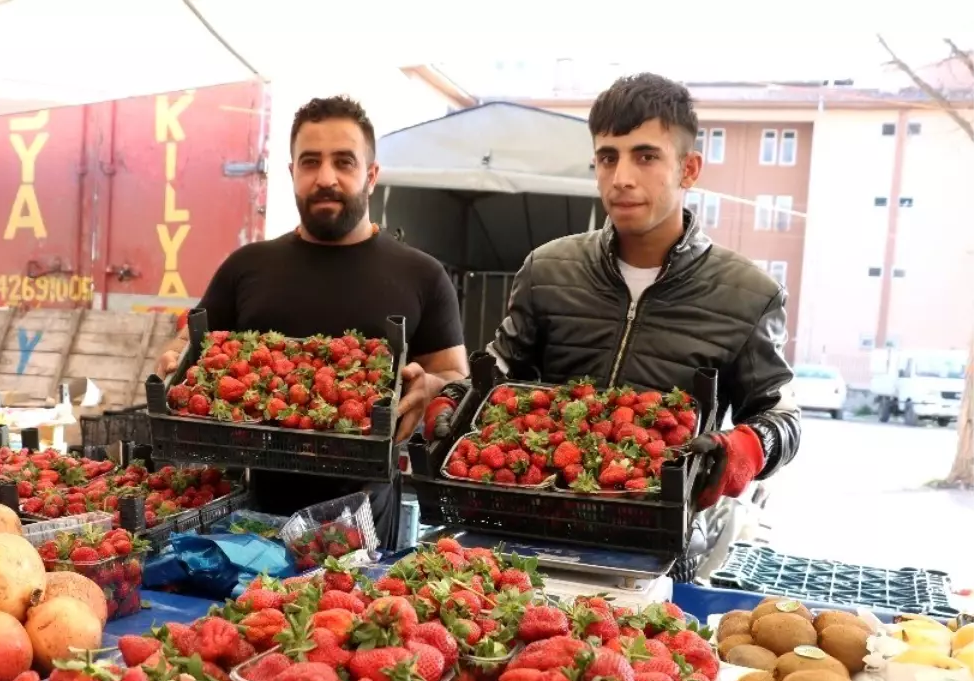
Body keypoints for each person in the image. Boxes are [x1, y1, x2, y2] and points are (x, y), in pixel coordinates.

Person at [430, 73, 801, 578]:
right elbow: (498, 370)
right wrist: (450, 400)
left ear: (688, 169)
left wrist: (747, 447)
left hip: (657, 555)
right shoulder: (548, 269)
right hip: (528, 537)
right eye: (608, 157)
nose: (621, 176)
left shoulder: (748, 295)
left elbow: (782, 416)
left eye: (645, 156)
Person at [156, 95, 468, 545]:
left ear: (372, 175)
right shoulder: (247, 267)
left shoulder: (421, 275)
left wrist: (433, 388)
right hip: (249, 510)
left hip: (369, 513)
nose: (326, 178)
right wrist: (173, 365)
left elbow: (453, 377)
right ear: (292, 174)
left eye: (344, 161)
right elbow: (188, 349)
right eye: (310, 162)